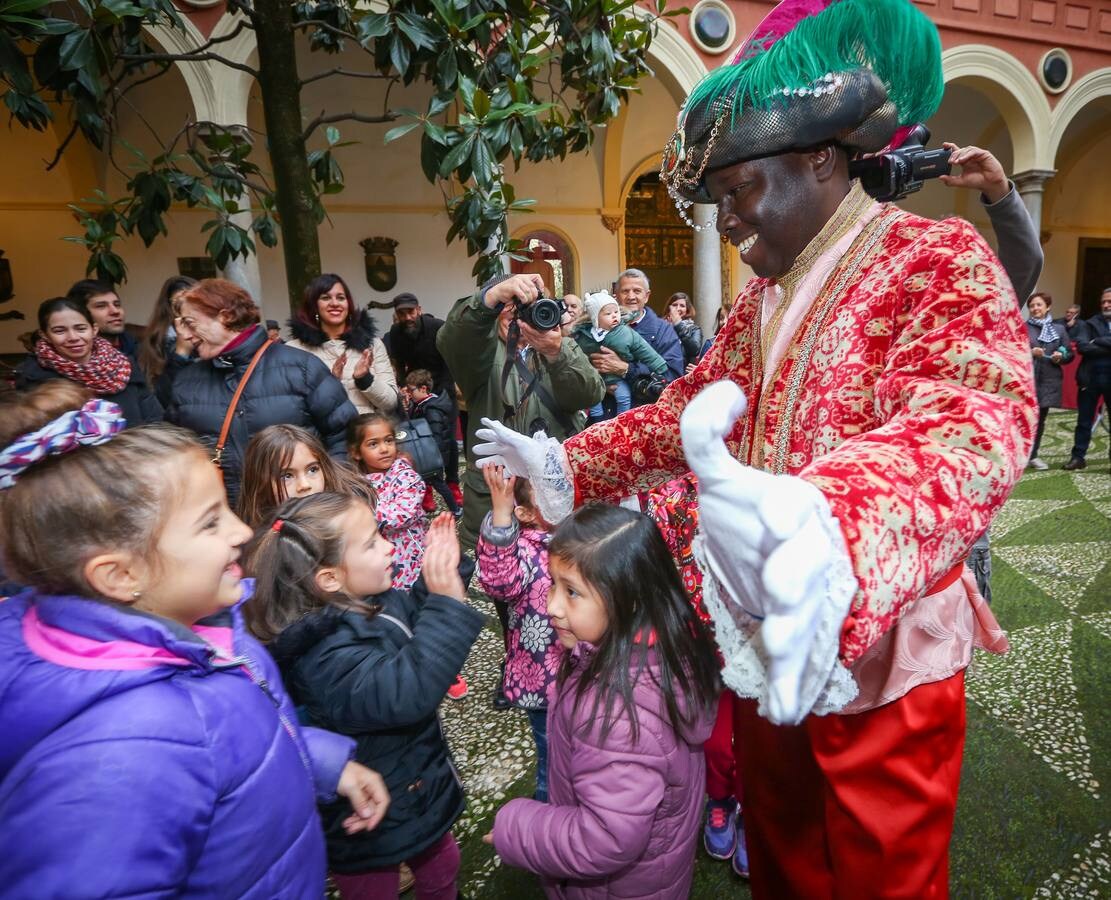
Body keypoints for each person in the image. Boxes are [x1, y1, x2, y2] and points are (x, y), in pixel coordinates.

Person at [473, 1, 1035, 895]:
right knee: (782, 852)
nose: (729, 222)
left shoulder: (938, 259)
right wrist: (569, 464)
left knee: (875, 877)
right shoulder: (759, 301)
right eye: (719, 200)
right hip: (755, 632)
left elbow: (972, 415)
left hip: (885, 652)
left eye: (740, 193)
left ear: (821, 159)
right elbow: (682, 415)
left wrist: (832, 523)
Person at [0, 384, 389, 897]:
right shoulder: (114, 761)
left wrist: (315, 761)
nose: (241, 532)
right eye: (210, 522)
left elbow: (231, 734)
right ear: (118, 575)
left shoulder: (205, 628)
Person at [248, 498, 484, 900]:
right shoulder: (323, 660)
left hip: (415, 786)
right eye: (372, 542)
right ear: (329, 579)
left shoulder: (372, 600)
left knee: (443, 867)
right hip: (365, 818)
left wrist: (441, 576)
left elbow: (413, 619)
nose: (389, 545)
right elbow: (409, 691)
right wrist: (447, 604)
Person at [485, 504, 719, 898]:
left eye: (572, 591)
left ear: (626, 600)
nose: (552, 605)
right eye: (553, 584)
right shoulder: (665, 645)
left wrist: (518, 826)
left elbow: (607, 838)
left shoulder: (618, 719)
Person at [437, 272, 604, 709]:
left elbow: (590, 390)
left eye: (530, 309)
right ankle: (519, 663)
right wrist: (490, 296)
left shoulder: (559, 349)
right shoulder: (480, 359)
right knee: (508, 591)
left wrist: (557, 349)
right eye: (511, 310)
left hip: (553, 503)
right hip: (499, 499)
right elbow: (452, 339)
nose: (521, 318)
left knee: (568, 581)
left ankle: (574, 664)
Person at [168, 278, 356, 505]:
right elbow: (175, 453)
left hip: (301, 519)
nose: (186, 335)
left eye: (191, 323)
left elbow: (345, 437)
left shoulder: (301, 368)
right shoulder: (186, 382)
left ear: (225, 317)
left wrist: (326, 499)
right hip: (230, 525)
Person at [476, 465, 560, 802]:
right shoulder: (523, 550)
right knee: (551, 762)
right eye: (549, 495)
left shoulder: (580, 539)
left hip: (587, 677)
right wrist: (500, 511)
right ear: (523, 512)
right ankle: (546, 826)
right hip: (541, 681)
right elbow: (500, 579)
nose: (561, 500)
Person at [16, 297, 162, 428]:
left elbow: (155, 418)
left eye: (81, 328)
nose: (73, 337)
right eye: (59, 331)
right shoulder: (35, 379)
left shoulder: (123, 365)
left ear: (94, 329)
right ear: (45, 336)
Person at [386, 292, 461, 506]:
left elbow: (453, 357)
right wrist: (404, 388)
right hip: (418, 391)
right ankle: (425, 486)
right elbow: (399, 364)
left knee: (447, 438)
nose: (407, 317)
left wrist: (446, 390)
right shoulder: (395, 332)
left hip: (443, 387)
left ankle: (453, 483)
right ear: (396, 315)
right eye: (402, 313)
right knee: (420, 439)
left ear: (418, 309)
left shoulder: (437, 326)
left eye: (410, 311)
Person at [286, 274, 399, 416]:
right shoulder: (295, 350)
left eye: (340, 298)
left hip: (368, 434)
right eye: (326, 298)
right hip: (324, 437)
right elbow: (293, 409)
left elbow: (390, 402)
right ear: (314, 306)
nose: (334, 303)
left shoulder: (372, 344)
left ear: (348, 304)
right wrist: (331, 384)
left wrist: (364, 379)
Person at [346, 412, 428, 593]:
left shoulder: (407, 476)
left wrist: (357, 515)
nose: (384, 449)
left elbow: (401, 516)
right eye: (373, 444)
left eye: (388, 441)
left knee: (412, 598)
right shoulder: (356, 482)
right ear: (356, 452)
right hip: (378, 559)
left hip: (410, 556)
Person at [237, 424, 373, 529]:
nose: (304, 485)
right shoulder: (262, 542)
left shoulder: (353, 516)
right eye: (286, 476)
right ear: (261, 484)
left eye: (313, 470)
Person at [587, 269, 684, 403]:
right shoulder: (594, 328)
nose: (631, 296)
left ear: (647, 296)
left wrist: (626, 369)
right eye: (625, 291)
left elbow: (673, 378)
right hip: (604, 413)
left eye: (637, 291)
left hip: (644, 415)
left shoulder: (663, 331)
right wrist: (599, 383)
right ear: (615, 295)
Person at [572, 290, 669, 422]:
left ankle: (622, 421)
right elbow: (576, 356)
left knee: (623, 397)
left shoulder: (625, 333)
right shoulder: (584, 335)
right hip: (594, 379)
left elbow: (643, 348)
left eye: (616, 312)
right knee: (593, 399)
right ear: (595, 317)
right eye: (608, 314)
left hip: (617, 378)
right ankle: (597, 421)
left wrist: (659, 365)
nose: (614, 316)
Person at [1064, 287, 1111, 471]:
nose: (1106, 305)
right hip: (1089, 378)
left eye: (1109, 301)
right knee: (1084, 420)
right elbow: (1083, 347)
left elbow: (1091, 345)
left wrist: (1097, 341)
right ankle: (1078, 458)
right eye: (1103, 302)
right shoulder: (1089, 323)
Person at [404, 368, 462, 516]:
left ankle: (455, 509)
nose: (410, 394)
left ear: (423, 389)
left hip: (432, 455)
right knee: (432, 483)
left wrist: (433, 456)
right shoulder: (422, 405)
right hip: (429, 454)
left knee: (439, 484)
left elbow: (435, 435)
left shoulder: (432, 409)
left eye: (411, 390)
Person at [1024, 292, 1072, 470]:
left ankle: (1033, 455)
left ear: (1048, 307)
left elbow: (1069, 352)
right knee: (1023, 418)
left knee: (1040, 419)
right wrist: (1030, 352)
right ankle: (1019, 454)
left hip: (1048, 380)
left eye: (1039, 305)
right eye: (1032, 306)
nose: (1035, 309)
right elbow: (1012, 350)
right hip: (1027, 379)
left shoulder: (1059, 329)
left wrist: (1062, 355)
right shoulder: (1022, 327)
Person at [139, 275, 198, 407]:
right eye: (178, 303)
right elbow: (162, 399)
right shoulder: (157, 343)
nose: (186, 310)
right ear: (169, 309)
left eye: (193, 302)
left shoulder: (213, 339)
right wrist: (181, 353)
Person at [66, 278, 139, 361]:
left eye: (117, 304)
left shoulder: (142, 350)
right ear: (80, 314)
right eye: (101, 306)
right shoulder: (74, 362)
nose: (115, 311)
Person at [666, 292, 704, 369]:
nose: (678, 308)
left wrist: (678, 324)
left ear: (687, 310)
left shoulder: (695, 329)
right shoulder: (659, 325)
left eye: (682, 306)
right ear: (669, 307)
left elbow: (694, 350)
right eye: (674, 305)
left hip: (682, 372)